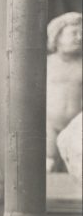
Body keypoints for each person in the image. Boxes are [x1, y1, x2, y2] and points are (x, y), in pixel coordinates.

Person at [46, 12, 82, 172]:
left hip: (77, 127)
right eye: (73, 33)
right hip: (48, 125)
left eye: (81, 33)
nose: (79, 38)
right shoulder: (46, 64)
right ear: (57, 36)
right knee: (47, 165)